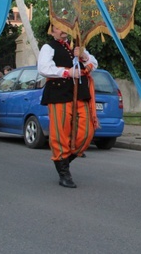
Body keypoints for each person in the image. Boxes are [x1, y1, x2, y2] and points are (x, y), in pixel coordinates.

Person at [38, 23, 99, 188]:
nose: (62, 29)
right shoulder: (48, 47)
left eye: (64, 26)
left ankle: (64, 160)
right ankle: (63, 170)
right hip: (59, 92)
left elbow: (94, 63)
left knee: (87, 131)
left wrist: (84, 55)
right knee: (60, 132)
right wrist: (67, 72)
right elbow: (43, 68)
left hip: (80, 92)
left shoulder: (75, 46)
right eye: (57, 27)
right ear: (51, 32)